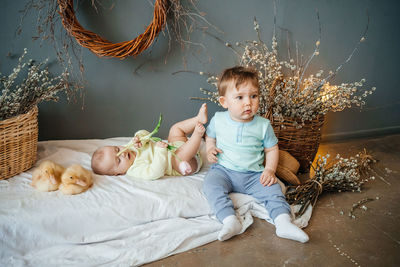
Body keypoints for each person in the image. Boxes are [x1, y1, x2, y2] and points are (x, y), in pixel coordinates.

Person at [203, 66, 309, 243]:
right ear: (224, 101)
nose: (248, 103)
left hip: (254, 175)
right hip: (224, 171)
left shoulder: (263, 125)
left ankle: (283, 223)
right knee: (210, 185)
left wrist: (269, 170)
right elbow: (210, 136)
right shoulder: (218, 119)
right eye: (240, 97)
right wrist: (209, 149)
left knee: (274, 190)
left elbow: (271, 149)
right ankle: (230, 220)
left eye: (254, 96)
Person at [91, 104, 208, 179]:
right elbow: (154, 172)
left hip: (177, 146)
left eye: (117, 149)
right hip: (184, 163)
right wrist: (160, 151)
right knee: (179, 156)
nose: (122, 154)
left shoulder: (131, 145)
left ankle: (198, 119)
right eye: (118, 160)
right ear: (119, 173)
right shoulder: (134, 169)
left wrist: (139, 137)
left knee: (175, 129)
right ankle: (197, 135)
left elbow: (146, 134)